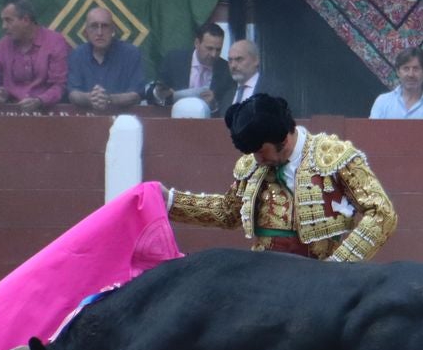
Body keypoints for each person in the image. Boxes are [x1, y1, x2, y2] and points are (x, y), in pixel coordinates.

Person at [165, 93, 397, 261]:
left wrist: (339, 265)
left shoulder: (333, 156)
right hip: (265, 277)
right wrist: (170, 201)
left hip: (322, 279)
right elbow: (228, 213)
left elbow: (382, 213)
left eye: (260, 151)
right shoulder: (252, 165)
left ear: (283, 140)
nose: (256, 159)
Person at [0, 0, 69, 111]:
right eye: (3, 21)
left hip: (47, 112)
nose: (4, 26)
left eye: (8, 20)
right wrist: (1, 94)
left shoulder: (55, 42)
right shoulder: (3, 45)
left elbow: (60, 86)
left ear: (26, 20)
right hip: (11, 112)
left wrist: (40, 100)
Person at [67, 6, 145, 113]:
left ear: (113, 30)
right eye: (94, 26)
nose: (99, 32)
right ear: (86, 31)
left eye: (105, 26)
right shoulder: (77, 54)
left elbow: (136, 95)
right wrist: (90, 98)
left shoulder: (131, 53)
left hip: (122, 117)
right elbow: (73, 94)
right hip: (86, 117)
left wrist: (109, 99)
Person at [154, 22, 234, 114]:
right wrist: (161, 93)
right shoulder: (174, 60)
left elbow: (227, 110)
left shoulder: (226, 71)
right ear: (197, 43)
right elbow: (155, 92)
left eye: (218, 49)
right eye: (209, 48)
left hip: (208, 120)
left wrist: (213, 104)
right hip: (174, 117)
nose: (213, 54)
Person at [370, 47, 423, 120]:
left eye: (416, 69)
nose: (411, 74)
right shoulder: (382, 102)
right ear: (398, 72)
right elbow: (372, 130)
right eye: (406, 69)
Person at [222, 39, 286, 110]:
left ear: (256, 60)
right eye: (230, 60)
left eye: (239, 59)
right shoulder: (227, 95)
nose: (233, 65)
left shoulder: (273, 90)